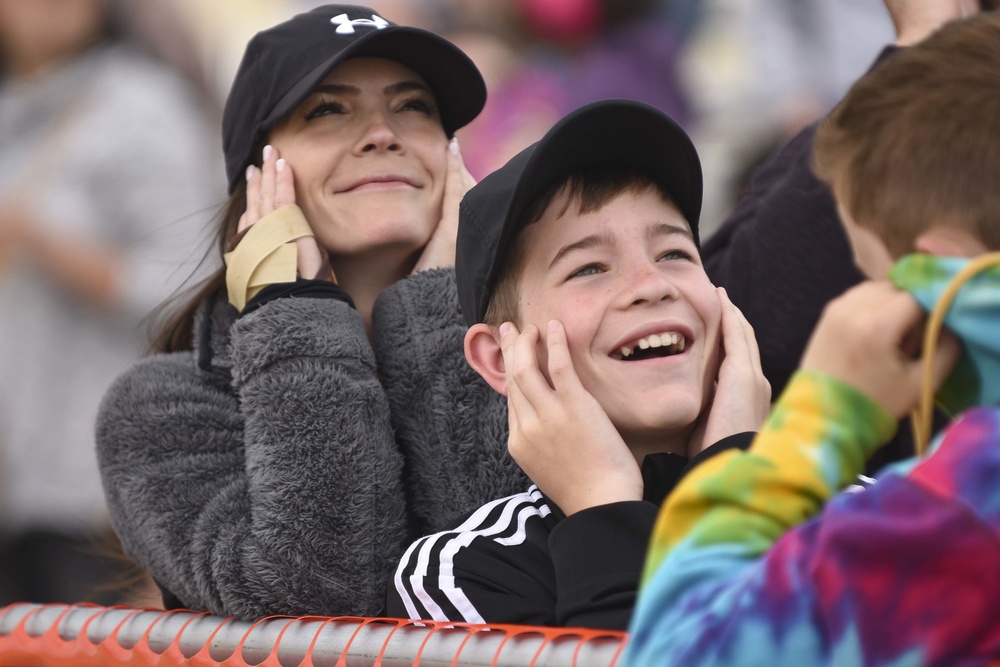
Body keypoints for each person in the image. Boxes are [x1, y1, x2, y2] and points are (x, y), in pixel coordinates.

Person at [95, 4, 528, 621]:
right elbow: (319, 597)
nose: (384, 133)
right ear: (257, 178)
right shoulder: (161, 407)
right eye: (328, 110)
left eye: (414, 107)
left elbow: (508, 577)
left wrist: (440, 312)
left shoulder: (539, 356)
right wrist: (296, 313)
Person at [626, 9, 1000, 665]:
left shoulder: (960, 502)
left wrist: (817, 419)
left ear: (936, 272)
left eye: (870, 275)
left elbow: (680, 650)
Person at [388, 100, 771, 630]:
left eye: (674, 255)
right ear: (501, 358)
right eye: (589, 267)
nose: (652, 286)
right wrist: (603, 511)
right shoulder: (464, 574)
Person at [0, 0, 220, 605]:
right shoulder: (13, 105)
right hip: (14, 470)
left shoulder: (141, 106)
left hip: (91, 481)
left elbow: (190, 280)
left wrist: (44, 243)